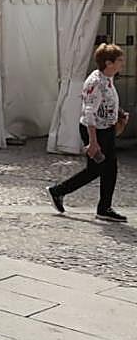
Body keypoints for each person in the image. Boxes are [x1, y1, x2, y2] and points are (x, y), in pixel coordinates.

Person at [48, 44, 129, 223]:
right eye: (120, 61)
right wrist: (93, 142)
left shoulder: (108, 78)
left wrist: (118, 114)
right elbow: (89, 113)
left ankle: (104, 208)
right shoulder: (96, 82)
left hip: (105, 130)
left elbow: (104, 105)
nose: (123, 63)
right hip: (95, 131)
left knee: (110, 168)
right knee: (95, 170)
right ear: (108, 63)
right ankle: (58, 191)